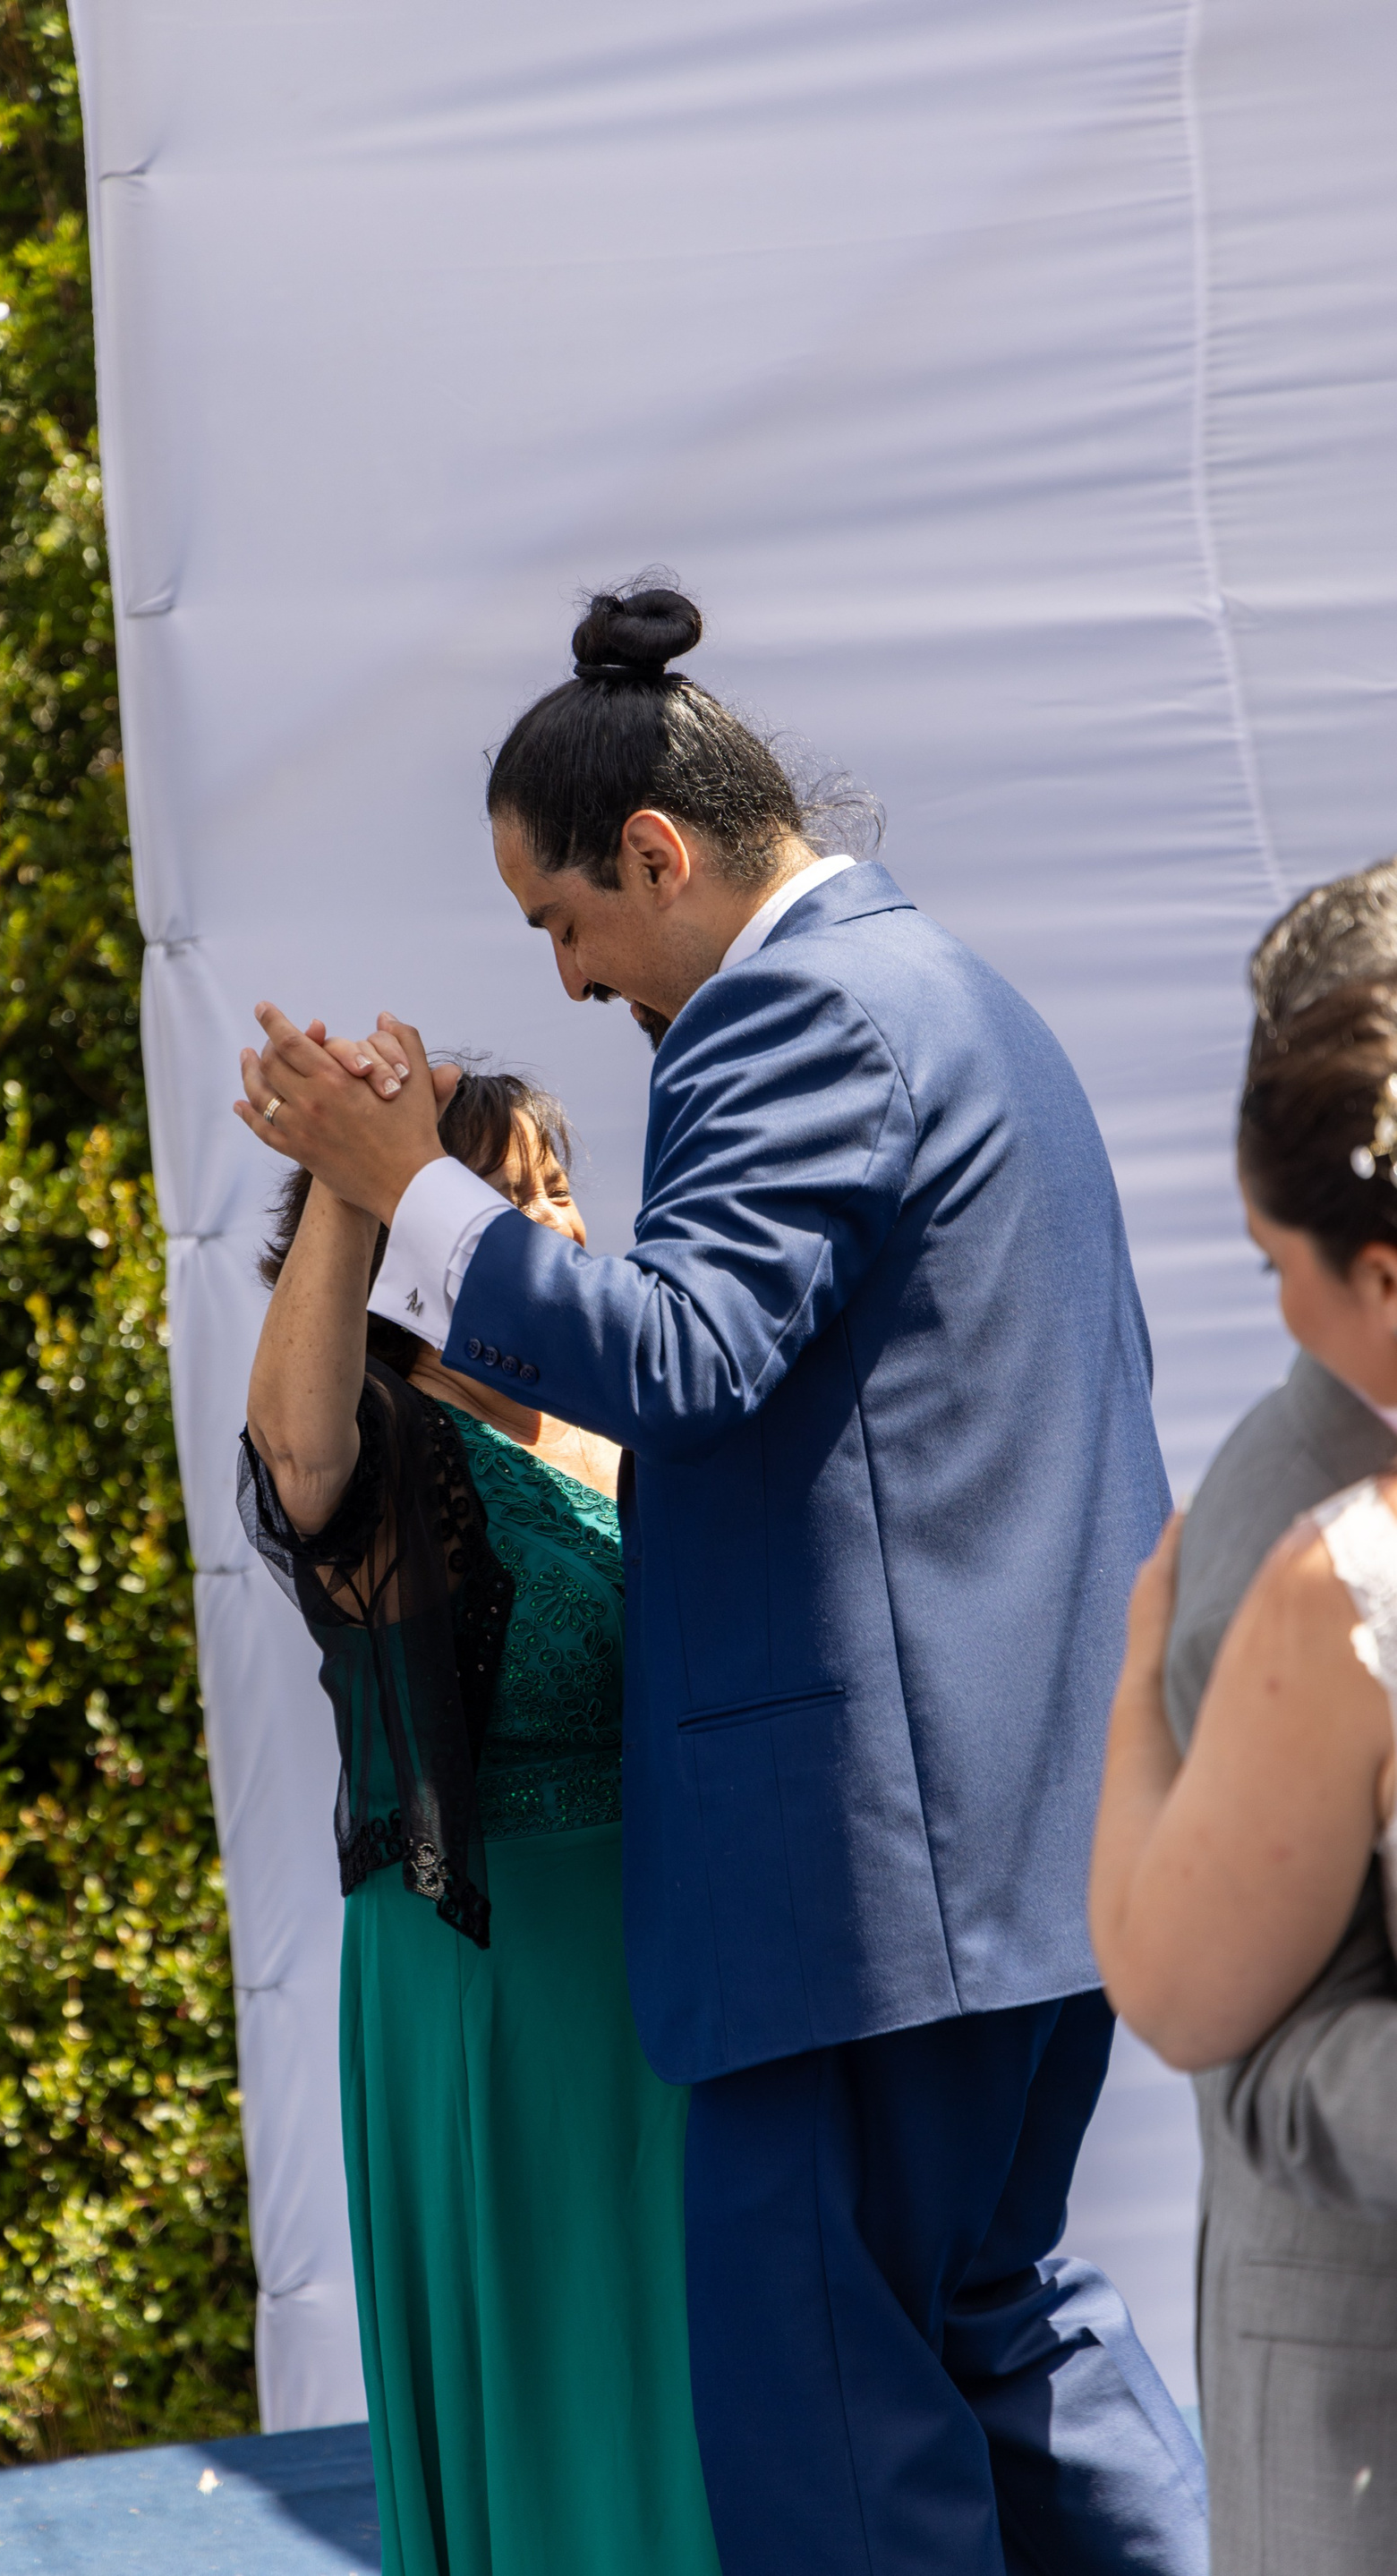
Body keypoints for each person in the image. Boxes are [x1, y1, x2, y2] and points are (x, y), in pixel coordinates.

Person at [234, 582, 1207, 2575]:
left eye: (561, 920)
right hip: (1021, 1858)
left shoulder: (795, 1013)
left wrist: (411, 1184)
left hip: (864, 1891)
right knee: (1006, 2339)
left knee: (838, 2435)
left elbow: (686, 1355)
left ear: (658, 855)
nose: (570, 978)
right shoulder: (958, 996)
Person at [238, 1062, 721, 2576]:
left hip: (678, 1969)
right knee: (567, 2385)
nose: (550, 1221)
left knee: (699, 2388)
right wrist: (348, 1174)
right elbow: (295, 1456)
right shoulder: (392, 1447)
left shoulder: (637, 1409)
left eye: (556, 1186)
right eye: (503, 1194)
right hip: (499, 1991)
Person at [1092, 967, 1397, 2575]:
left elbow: (1184, 1988)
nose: (1280, 1310)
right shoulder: (1298, 1512)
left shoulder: (1334, 1569)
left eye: (1278, 1264)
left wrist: (1136, 1688)